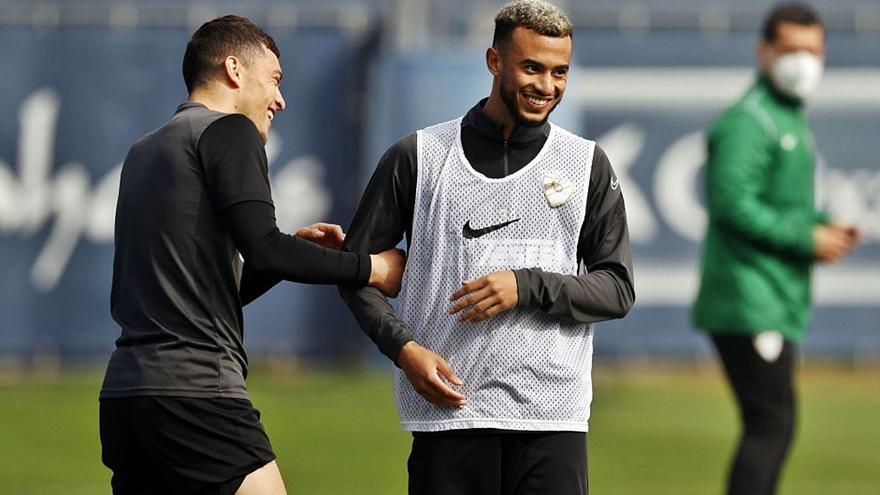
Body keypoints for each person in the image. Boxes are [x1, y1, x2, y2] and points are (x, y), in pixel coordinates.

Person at [99, 15, 404, 495]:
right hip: (197, 393)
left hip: (126, 397)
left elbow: (209, 292)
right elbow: (265, 249)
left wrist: (294, 249)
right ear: (234, 69)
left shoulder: (144, 151)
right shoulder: (229, 131)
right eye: (275, 80)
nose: (280, 99)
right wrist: (374, 268)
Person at [339, 1, 634, 493]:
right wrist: (404, 350)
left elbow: (616, 288)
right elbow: (352, 274)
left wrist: (526, 285)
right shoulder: (419, 157)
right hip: (450, 416)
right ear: (494, 61)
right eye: (532, 68)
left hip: (552, 421)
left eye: (560, 72)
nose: (547, 86)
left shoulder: (587, 164)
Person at [692, 4, 862, 495]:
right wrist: (803, 236)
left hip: (770, 294)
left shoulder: (785, 116)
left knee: (772, 426)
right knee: (770, 425)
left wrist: (819, 225)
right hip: (748, 298)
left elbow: (774, 205)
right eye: (790, 50)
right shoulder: (751, 120)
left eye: (812, 51)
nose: (802, 61)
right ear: (763, 52)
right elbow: (731, 204)